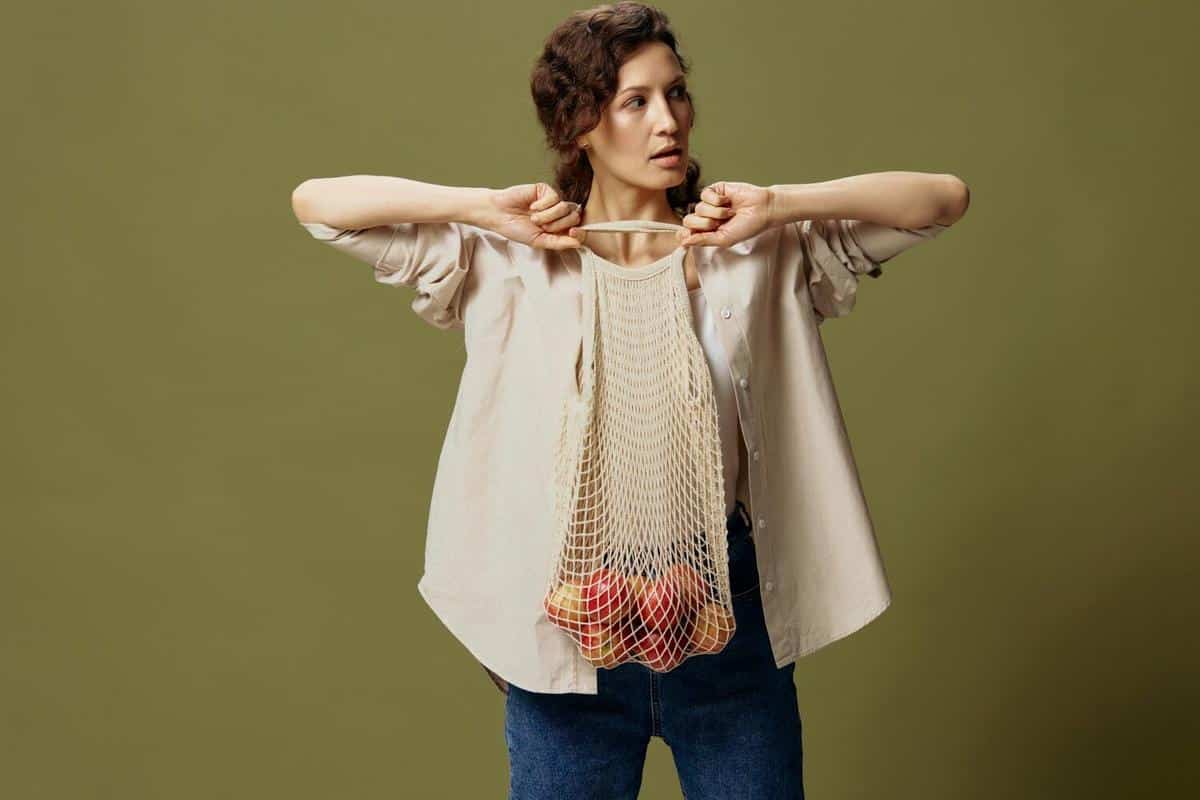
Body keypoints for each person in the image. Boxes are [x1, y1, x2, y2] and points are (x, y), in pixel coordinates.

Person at [291, 3, 969, 797]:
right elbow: (319, 206)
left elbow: (943, 200)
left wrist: (780, 203)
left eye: (676, 93)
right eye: (634, 102)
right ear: (580, 123)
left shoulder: (755, 251)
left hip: (727, 620)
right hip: (566, 629)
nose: (667, 121)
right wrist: (478, 209)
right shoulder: (510, 261)